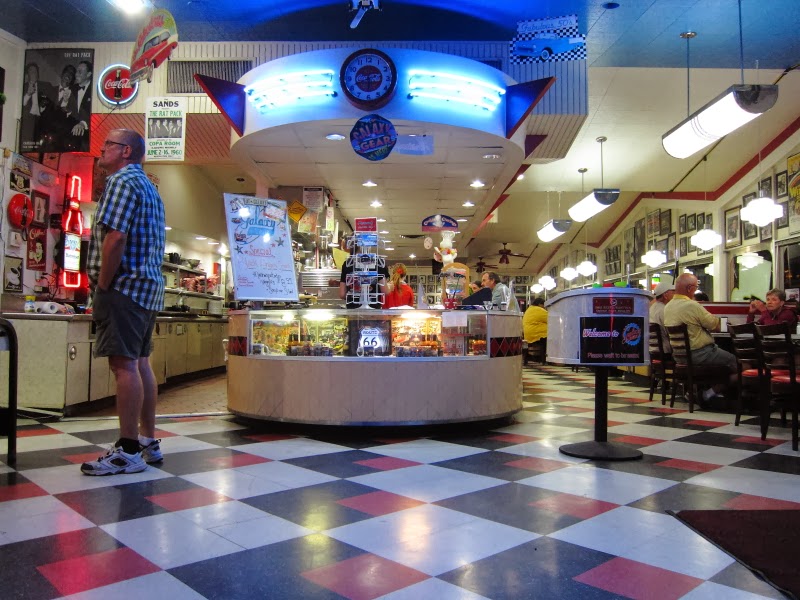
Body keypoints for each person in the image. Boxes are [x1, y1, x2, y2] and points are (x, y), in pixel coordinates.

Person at [81, 129, 166, 476]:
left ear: (125, 151)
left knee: (124, 366)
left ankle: (127, 449)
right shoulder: (149, 188)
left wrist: (103, 285)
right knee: (141, 363)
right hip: (147, 290)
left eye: (107, 147)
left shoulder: (121, 182)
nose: (102, 152)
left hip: (124, 288)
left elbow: (115, 238)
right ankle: (147, 439)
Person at [664, 273, 737, 403]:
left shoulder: (668, 306)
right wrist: (732, 325)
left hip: (680, 356)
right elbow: (716, 325)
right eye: (696, 287)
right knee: (740, 365)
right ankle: (710, 393)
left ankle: (694, 391)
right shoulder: (692, 305)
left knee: (722, 360)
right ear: (690, 289)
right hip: (700, 354)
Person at [339, 240, 389, 309]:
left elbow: (342, 294)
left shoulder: (348, 264)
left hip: (353, 310)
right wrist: (390, 287)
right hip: (373, 311)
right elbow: (385, 291)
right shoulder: (378, 263)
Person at [20, 62, 55, 151]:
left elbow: (54, 100)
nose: (33, 73)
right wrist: (28, 94)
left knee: (43, 147)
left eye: (35, 71)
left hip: (42, 121)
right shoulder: (21, 87)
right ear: (27, 74)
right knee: (27, 146)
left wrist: (44, 107)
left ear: (38, 74)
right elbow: (20, 106)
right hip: (28, 121)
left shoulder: (46, 86)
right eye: (31, 71)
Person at [65, 60, 92, 152]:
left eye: (80, 72)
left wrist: (83, 123)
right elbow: (67, 110)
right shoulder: (71, 89)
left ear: (88, 74)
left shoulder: (94, 90)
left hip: (88, 138)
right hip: (70, 137)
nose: (76, 74)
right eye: (77, 71)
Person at [649, 279, 675, 352]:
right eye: (673, 293)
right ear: (665, 295)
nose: (675, 295)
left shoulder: (652, 308)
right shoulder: (664, 310)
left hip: (653, 350)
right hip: (666, 350)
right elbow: (671, 333)